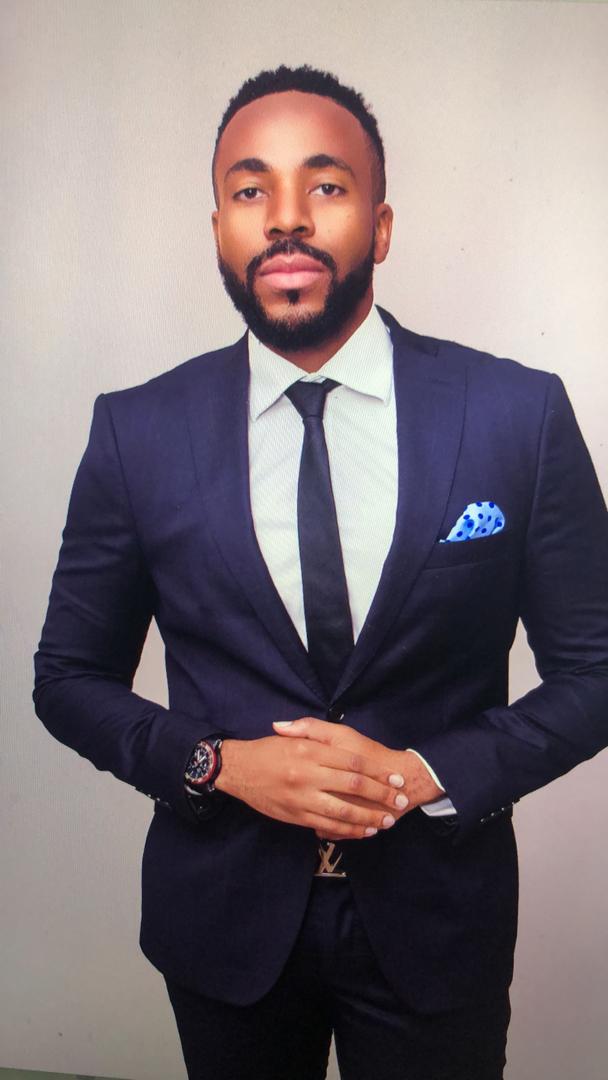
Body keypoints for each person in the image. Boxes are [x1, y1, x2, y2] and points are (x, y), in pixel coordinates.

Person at [33, 65, 608, 1080]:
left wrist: (429, 773)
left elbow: (598, 668)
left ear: (379, 227)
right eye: (250, 189)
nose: (286, 217)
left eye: (326, 185)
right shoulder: (137, 432)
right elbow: (67, 678)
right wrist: (216, 764)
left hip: (439, 923)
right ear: (219, 227)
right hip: (221, 922)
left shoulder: (516, 416)